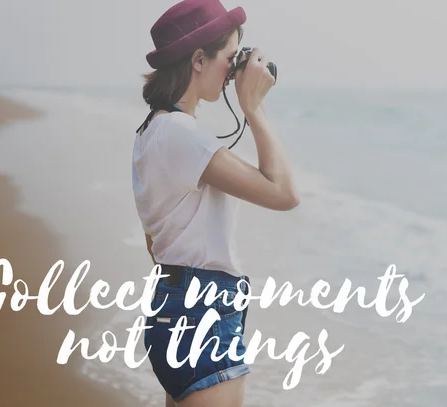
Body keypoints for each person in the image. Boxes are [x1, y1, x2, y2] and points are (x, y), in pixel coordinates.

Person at [131, 0, 300, 405]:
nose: (233, 73)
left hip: (173, 307)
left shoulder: (153, 130)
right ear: (199, 60)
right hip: (202, 312)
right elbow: (285, 194)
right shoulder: (183, 135)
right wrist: (254, 108)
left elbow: (154, 242)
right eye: (230, 58)